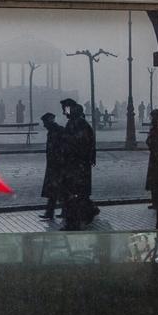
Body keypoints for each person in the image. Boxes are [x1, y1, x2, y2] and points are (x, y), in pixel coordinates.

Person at [59, 99, 97, 230]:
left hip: (76, 166)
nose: (64, 112)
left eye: (66, 109)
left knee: (74, 194)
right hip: (76, 165)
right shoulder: (77, 123)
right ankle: (85, 213)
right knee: (77, 193)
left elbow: (80, 145)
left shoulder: (78, 124)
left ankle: (74, 221)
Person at [40, 112, 65, 220]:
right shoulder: (54, 130)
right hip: (53, 164)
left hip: (57, 165)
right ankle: (54, 212)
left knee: (56, 189)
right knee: (56, 189)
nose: (44, 125)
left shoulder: (57, 131)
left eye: (45, 122)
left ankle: (51, 212)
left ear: (49, 122)